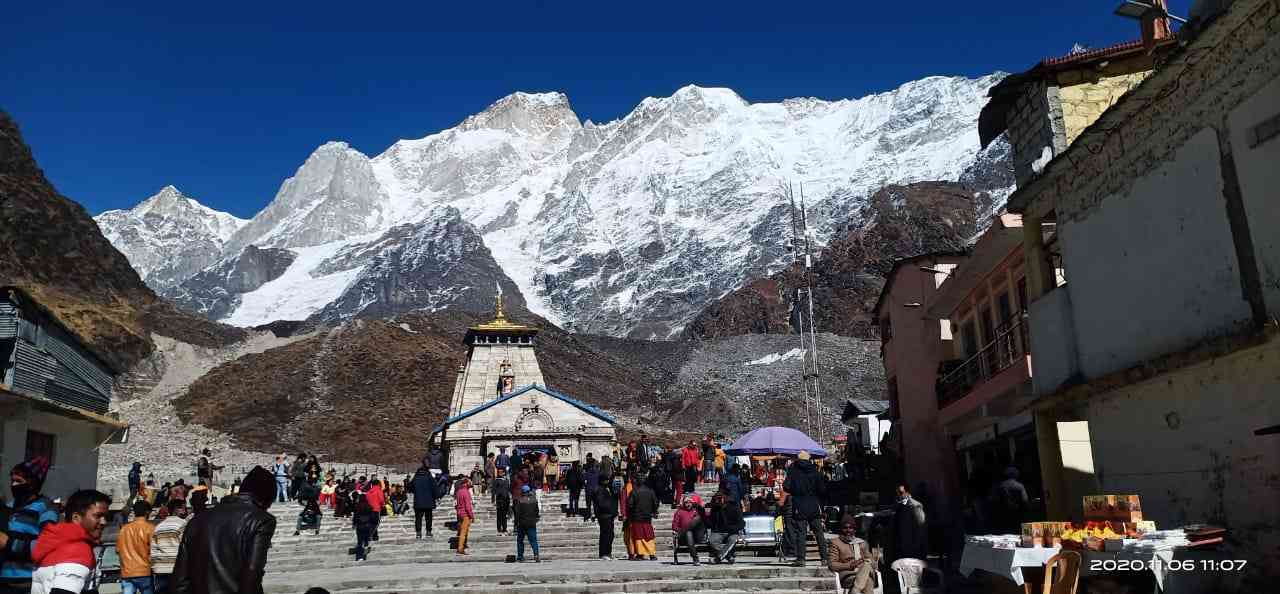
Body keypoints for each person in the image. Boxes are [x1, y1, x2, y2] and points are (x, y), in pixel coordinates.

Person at [171, 465, 277, 594]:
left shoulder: (196, 520)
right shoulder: (261, 520)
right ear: (265, 499)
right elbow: (252, 571)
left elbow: (180, 578)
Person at [30, 489, 110, 594]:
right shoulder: (78, 549)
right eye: (98, 516)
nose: (104, 522)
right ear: (76, 518)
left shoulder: (56, 544)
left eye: (106, 517)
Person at [0, 456, 58, 594]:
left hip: (27, 584)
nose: (14, 485)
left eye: (19, 481)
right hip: (3, 582)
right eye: (12, 481)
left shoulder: (46, 508)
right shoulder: (9, 506)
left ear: (33, 483)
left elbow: (46, 546)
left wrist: (8, 543)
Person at [782, 451, 828, 568]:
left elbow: (786, 487)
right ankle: (824, 558)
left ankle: (801, 559)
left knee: (801, 532)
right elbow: (822, 490)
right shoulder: (815, 472)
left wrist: (795, 490)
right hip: (813, 504)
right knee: (819, 532)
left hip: (799, 504)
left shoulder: (793, 472)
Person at [829, 515, 878, 594]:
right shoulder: (836, 543)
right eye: (845, 528)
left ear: (854, 530)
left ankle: (855, 590)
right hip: (848, 574)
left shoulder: (862, 543)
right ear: (841, 529)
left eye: (851, 528)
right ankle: (855, 590)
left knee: (867, 564)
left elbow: (872, 562)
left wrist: (867, 562)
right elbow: (832, 564)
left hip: (864, 573)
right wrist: (850, 565)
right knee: (868, 582)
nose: (848, 530)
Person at [117, 500, 156, 594]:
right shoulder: (150, 528)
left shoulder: (124, 529)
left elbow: (118, 550)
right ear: (147, 512)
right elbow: (154, 551)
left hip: (127, 572)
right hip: (144, 571)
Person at [150, 499, 188, 594]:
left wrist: (155, 566)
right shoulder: (183, 524)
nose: (185, 511)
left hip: (160, 568)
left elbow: (153, 549)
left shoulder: (158, 527)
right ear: (178, 510)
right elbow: (186, 547)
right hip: (177, 568)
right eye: (184, 508)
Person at [889, 484, 928, 562]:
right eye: (897, 493)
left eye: (901, 493)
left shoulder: (915, 506)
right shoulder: (899, 505)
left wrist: (917, 548)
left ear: (907, 493)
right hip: (900, 547)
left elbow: (921, 528)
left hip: (911, 549)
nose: (898, 495)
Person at [627, 471, 660, 561]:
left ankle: (640, 553)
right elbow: (656, 503)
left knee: (639, 535)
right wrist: (654, 511)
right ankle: (652, 554)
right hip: (647, 517)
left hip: (636, 517)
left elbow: (630, 505)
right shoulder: (650, 491)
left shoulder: (634, 492)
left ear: (637, 481)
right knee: (648, 535)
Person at [706, 490, 744, 563]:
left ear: (725, 498)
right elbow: (711, 522)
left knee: (732, 540)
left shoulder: (734, 507)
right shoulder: (715, 508)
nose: (718, 500)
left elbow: (741, 523)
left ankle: (718, 559)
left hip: (732, 532)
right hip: (719, 531)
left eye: (720, 498)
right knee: (712, 541)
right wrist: (707, 519)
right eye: (716, 498)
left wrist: (733, 529)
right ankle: (729, 556)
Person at [991, 467, 1030, 534]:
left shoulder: (1000, 486)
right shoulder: (1019, 486)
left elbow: (995, 500)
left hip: (1004, 515)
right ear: (1016, 475)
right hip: (1017, 513)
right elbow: (1025, 500)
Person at [671, 496, 706, 565]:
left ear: (692, 503)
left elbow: (704, 517)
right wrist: (682, 530)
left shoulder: (696, 511)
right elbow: (674, 526)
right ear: (683, 504)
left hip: (696, 535)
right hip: (683, 536)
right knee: (688, 533)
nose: (688, 504)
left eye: (690, 502)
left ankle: (695, 559)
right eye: (686, 503)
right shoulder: (679, 512)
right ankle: (695, 558)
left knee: (698, 518)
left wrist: (698, 506)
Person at [408, 464, 438, 539]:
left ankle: (418, 533)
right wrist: (437, 497)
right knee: (428, 518)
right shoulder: (430, 478)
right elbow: (435, 488)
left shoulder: (415, 478)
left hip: (418, 501)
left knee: (418, 518)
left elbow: (410, 488)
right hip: (429, 502)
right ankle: (428, 532)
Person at [592, 474, 618, 560]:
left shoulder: (607, 489)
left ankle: (608, 553)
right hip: (604, 515)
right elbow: (602, 504)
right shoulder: (599, 490)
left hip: (609, 515)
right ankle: (604, 553)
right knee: (605, 535)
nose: (608, 481)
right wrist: (611, 509)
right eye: (606, 480)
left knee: (610, 535)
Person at [513, 485, 540, 563]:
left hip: (522, 523)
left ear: (523, 492)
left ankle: (520, 557)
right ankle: (536, 555)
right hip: (531, 523)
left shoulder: (520, 500)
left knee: (520, 540)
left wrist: (516, 524)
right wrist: (535, 519)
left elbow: (517, 513)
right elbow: (537, 512)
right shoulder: (534, 500)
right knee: (533, 540)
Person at [351, 496, 376, 562]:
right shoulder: (369, 506)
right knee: (366, 540)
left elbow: (355, 517)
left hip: (360, 525)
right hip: (367, 525)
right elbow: (373, 517)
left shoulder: (357, 506)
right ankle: (365, 553)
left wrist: (354, 524)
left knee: (360, 542)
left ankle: (359, 557)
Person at [454, 478, 474, 555]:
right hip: (465, 514)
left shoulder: (459, 491)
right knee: (464, 531)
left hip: (459, 513)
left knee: (463, 530)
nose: (470, 484)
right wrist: (472, 516)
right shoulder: (466, 492)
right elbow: (468, 506)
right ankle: (460, 548)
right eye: (469, 482)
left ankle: (463, 544)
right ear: (465, 483)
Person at [491, 468, 511, 536]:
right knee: (499, 515)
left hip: (506, 500)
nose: (500, 473)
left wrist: (509, 499)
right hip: (499, 500)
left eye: (501, 472)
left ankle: (505, 529)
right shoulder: (496, 480)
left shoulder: (506, 480)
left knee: (505, 516)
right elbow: (493, 490)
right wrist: (493, 500)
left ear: (504, 473)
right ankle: (499, 529)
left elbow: (508, 489)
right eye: (499, 472)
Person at [582, 457, 599, 522]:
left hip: (589, 490)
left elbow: (583, 481)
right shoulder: (597, 472)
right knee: (595, 504)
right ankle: (596, 516)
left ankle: (588, 515)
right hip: (596, 490)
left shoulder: (586, 473)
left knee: (588, 504)